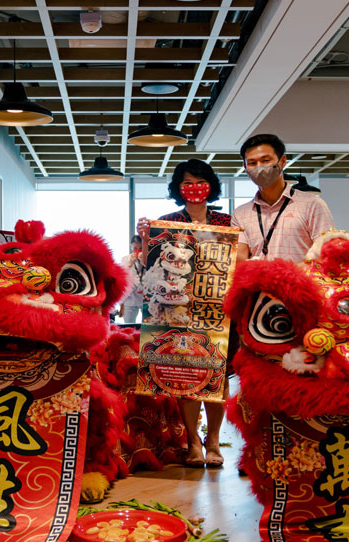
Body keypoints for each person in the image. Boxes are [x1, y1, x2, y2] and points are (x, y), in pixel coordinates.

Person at [135, 158, 230, 468]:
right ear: (178, 188)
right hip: (177, 310)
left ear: (211, 185)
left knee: (218, 376)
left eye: (200, 181)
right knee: (184, 373)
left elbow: (240, 259)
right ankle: (193, 441)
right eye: (187, 182)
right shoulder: (168, 220)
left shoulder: (226, 222)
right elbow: (152, 263)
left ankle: (213, 439)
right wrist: (148, 238)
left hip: (217, 309)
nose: (194, 188)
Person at [231, 134, 335, 262]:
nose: (259, 167)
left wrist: (287, 272)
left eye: (266, 161)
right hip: (258, 281)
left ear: (282, 161)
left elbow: (327, 256)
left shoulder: (312, 205)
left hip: (300, 281)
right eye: (252, 163)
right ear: (245, 167)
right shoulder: (240, 214)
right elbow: (240, 258)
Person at [119, 235, 145, 323]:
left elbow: (154, 275)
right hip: (130, 298)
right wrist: (130, 263)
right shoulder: (125, 259)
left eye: (140, 248)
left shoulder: (147, 259)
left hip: (144, 298)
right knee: (129, 325)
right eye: (135, 248)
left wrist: (144, 262)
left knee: (147, 325)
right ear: (131, 247)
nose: (138, 250)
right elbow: (121, 275)